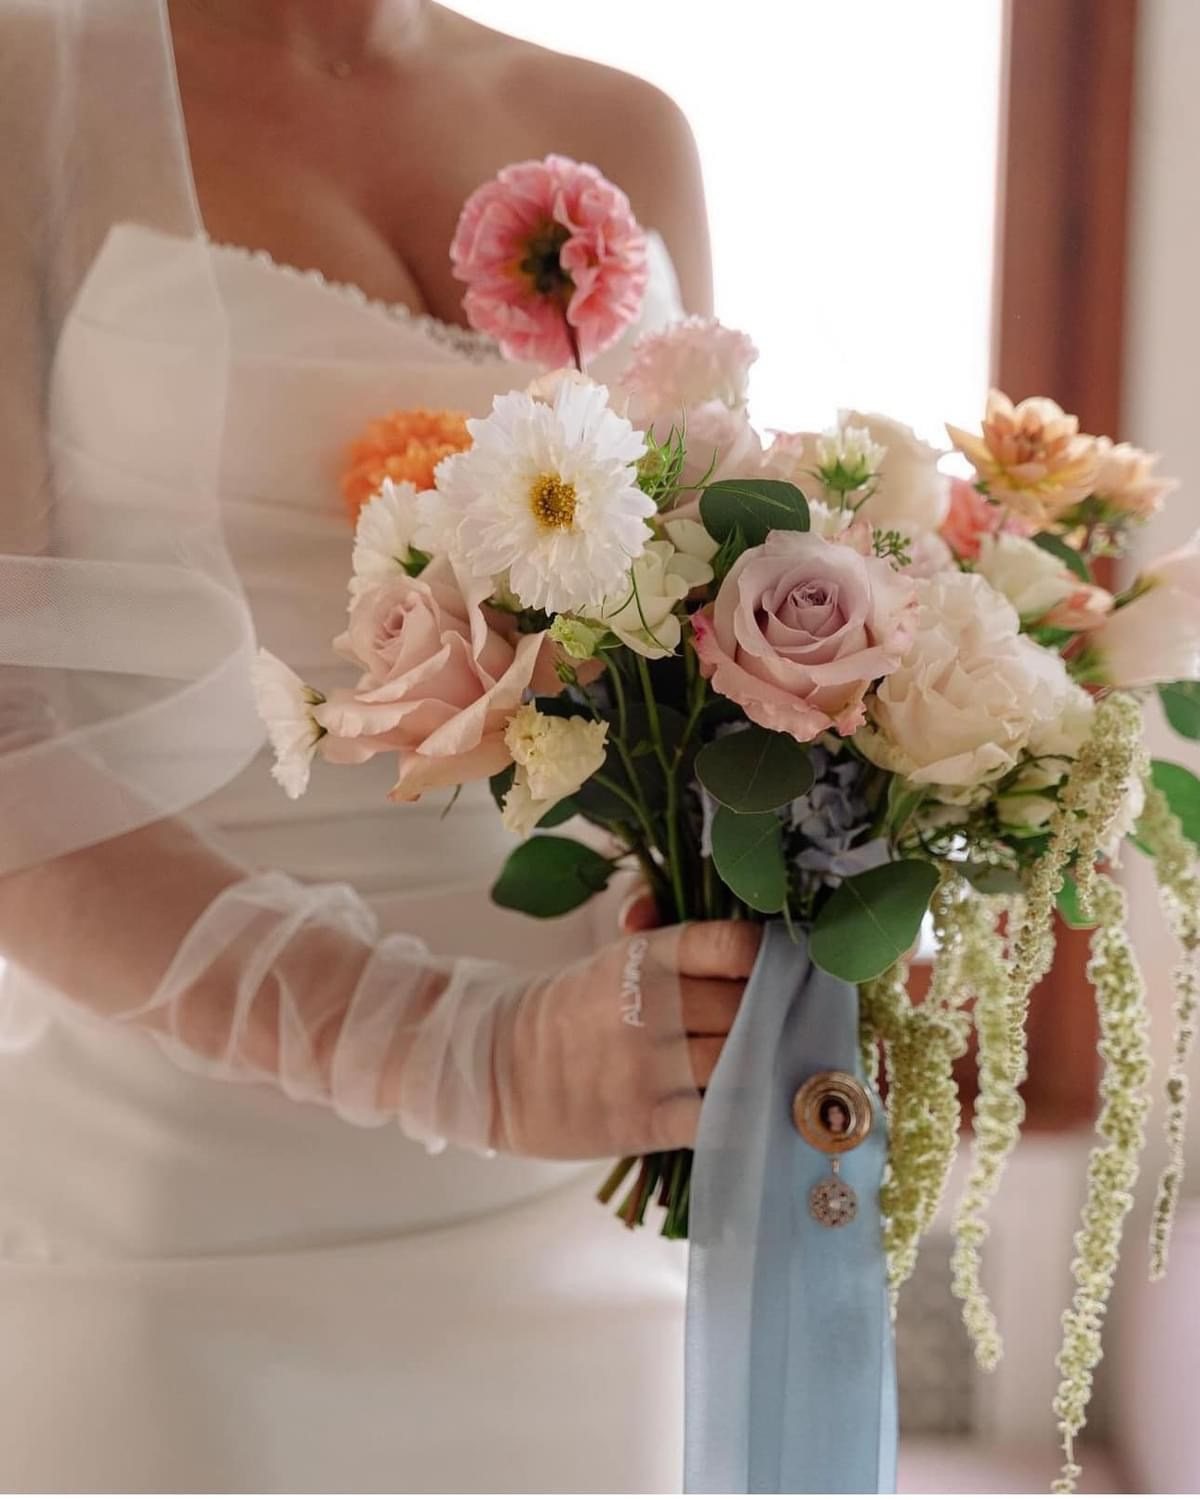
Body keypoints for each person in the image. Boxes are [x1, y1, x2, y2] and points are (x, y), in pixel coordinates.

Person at [0, 0, 757, 1489]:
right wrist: (474, 1057)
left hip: (601, 1202)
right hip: (188, 1217)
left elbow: (708, 655)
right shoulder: (23, 85)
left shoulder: (629, 130)